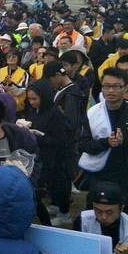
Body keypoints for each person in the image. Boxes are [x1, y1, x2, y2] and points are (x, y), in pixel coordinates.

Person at [42, 60, 84, 226]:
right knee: (56, 177)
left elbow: (71, 123)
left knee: (63, 178)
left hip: (65, 144)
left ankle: (64, 212)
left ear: (58, 76)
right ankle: (56, 204)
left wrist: (54, 128)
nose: (51, 84)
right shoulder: (64, 90)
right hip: (59, 142)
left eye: (51, 80)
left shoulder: (70, 94)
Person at [79, 67, 128, 202]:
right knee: (99, 210)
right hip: (100, 174)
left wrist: (124, 141)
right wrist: (106, 142)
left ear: (125, 88)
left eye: (116, 86)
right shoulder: (92, 113)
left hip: (125, 174)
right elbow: (83, 144)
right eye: (106, 86)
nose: (110, 90)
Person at [25, 79, 69, 226]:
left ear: (44, 96)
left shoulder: (55, 113)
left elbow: (59, 140)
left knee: (35, 196)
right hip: (35, 157)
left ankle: (47, 225)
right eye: (29, 99)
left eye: (34, 99)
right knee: (35, 195)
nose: (31, 102)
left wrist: (36, 136)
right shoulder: (33, 110)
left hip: (49, 159)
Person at [74, 181, 128, 254]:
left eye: (109, 212)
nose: (103, 217)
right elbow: (74, 251)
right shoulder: (83, 220)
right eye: (98, 211)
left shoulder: (126, 224)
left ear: (121, 209)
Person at [0, 47, 29, 116]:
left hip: (17, 108)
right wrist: (4, 83)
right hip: (0, 106)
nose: (11, 58)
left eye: (13, 56)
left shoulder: (23, 73)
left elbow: (21, 90)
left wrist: (11, 84)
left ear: (18, 59)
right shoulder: (0, 71)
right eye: (9, 56)